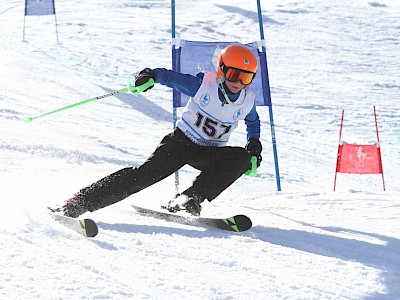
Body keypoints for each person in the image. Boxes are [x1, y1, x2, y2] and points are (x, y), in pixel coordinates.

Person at [59, 44, 263, 217]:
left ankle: (189, 197)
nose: (238, 82)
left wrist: (254, 146)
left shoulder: (247, 102)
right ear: (221, 69)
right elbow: (168, 77)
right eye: (234, 74)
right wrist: (150, 76)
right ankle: (80, 201)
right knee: (143, 176)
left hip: (210, 153)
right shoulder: (203, 86)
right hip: (181, 144)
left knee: (240, 157)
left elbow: (253, 122)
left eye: (245, 78)